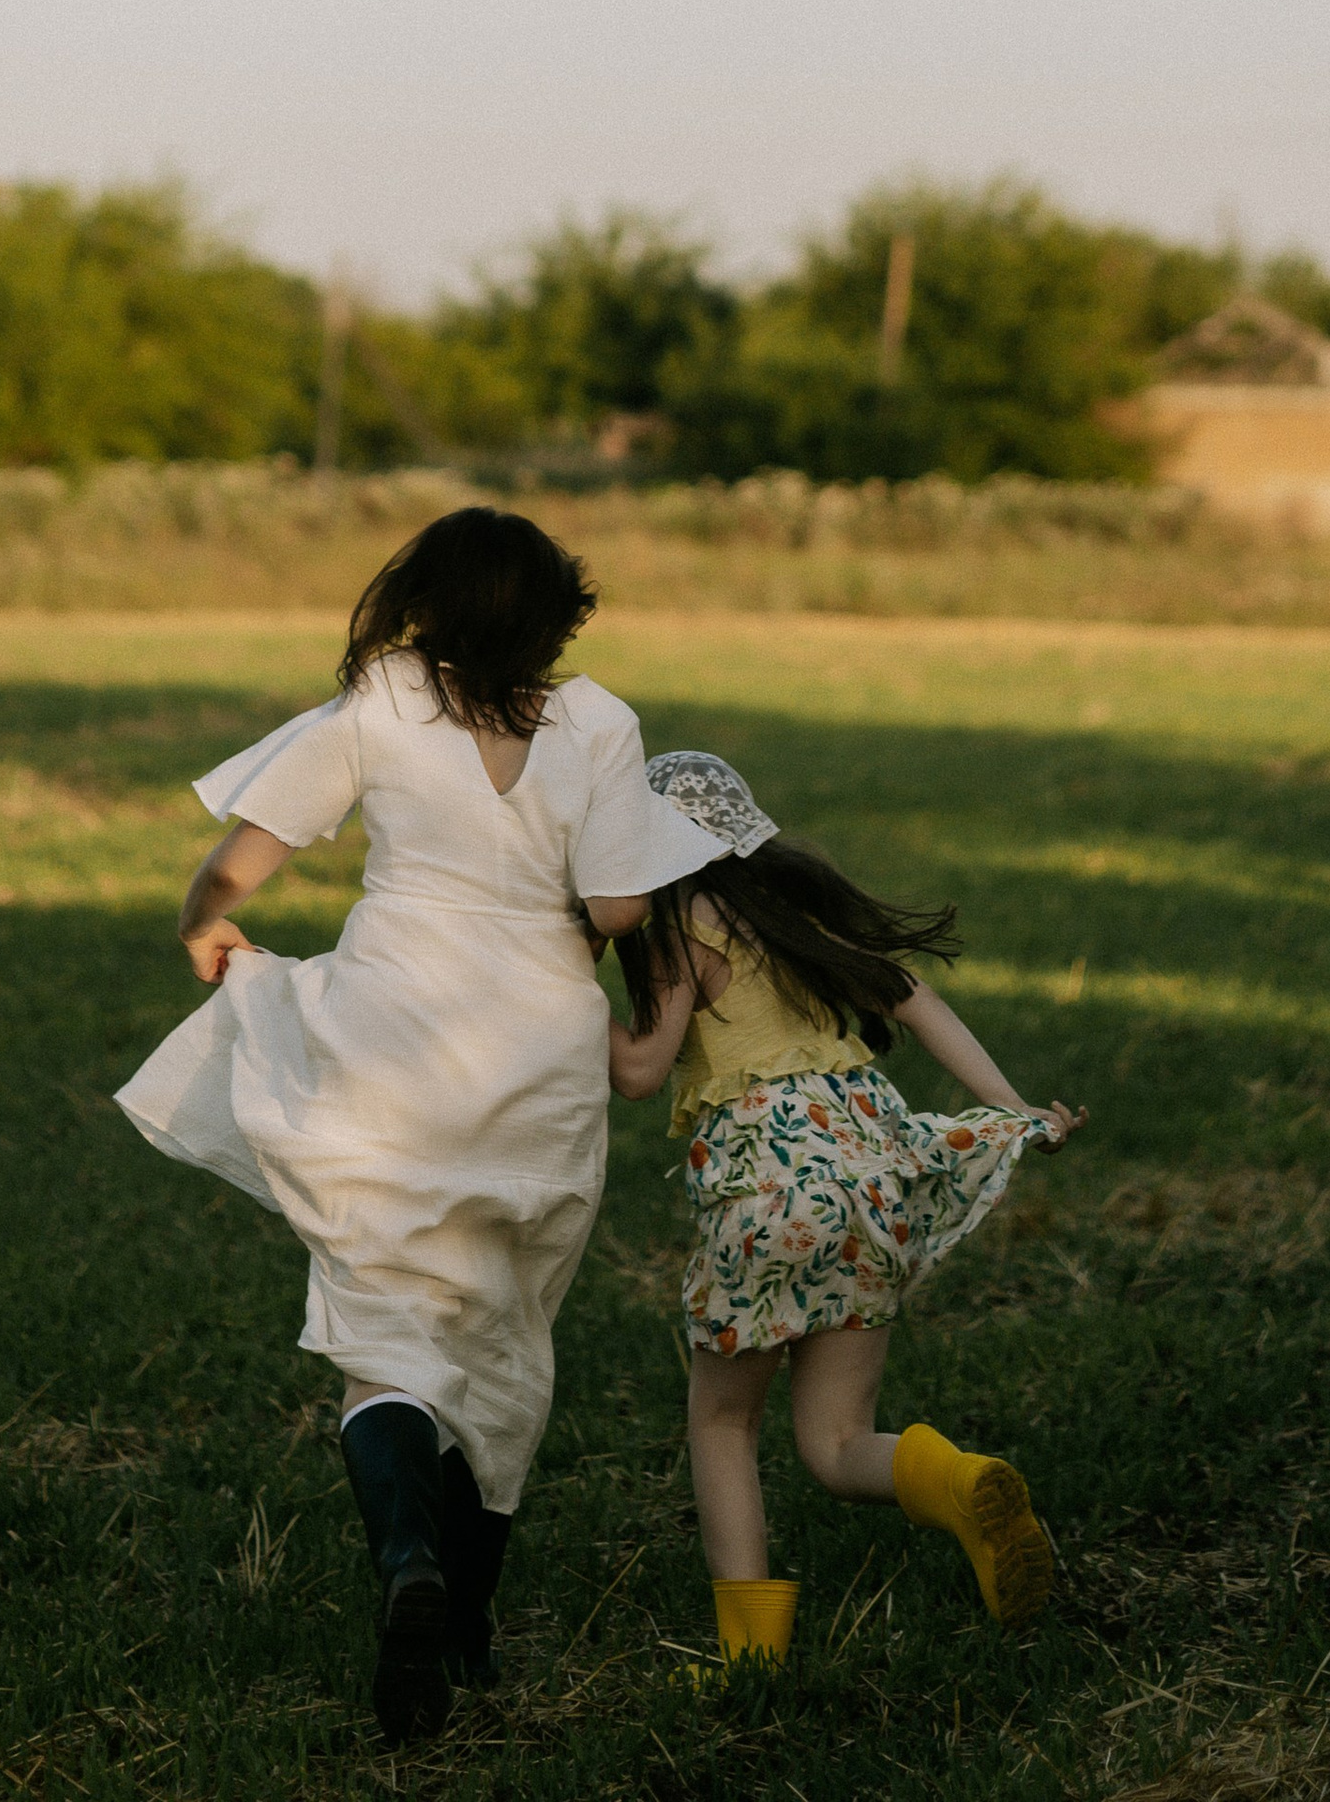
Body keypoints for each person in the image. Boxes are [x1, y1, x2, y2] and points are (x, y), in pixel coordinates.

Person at [114, 507, 707, 1741]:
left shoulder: (386, 699)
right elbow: (609, 907)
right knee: (500, 1329)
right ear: (557, 616)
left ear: (426, 601)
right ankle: (471, 1635)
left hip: (386, 1039)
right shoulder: (600, 724)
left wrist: (201, 917)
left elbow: (248, 852)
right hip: (535, 1059)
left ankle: (407, 1571)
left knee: (384, 1330)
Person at [607, 748, 1087, 1670]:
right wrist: (1014, 1109)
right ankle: (956, 1479)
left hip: (770, 1193)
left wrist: (565, 995)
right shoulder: (794, 921)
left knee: (722, 1422)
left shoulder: (678, 929)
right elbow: (917, 998)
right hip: (874, 1187)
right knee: (833, 1443)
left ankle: (753, 1655)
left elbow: (637, 1073)